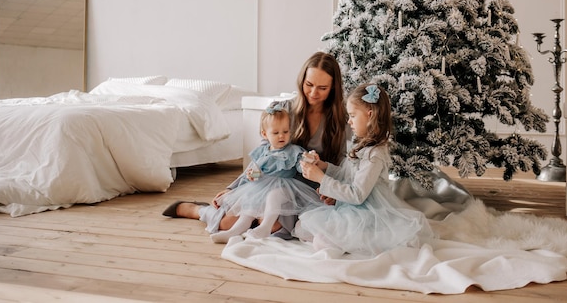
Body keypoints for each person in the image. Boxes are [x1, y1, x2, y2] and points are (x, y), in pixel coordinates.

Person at [162, 51, 349, 238]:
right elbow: (264, 156)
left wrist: (332, 190)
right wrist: (232, 188)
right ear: (302, 81)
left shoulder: (341, 120)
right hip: (269, 183)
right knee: (227, 223)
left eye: (322, 88)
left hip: (309, 189)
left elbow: (343, 165)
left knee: (273, 226)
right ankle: (199, 211)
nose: (313, 93)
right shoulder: (284, 109)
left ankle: (251, 222)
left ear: (333, 88)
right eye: (309, 85)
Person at [293, 83, 434, 255]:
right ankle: (348, 238)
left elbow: (357, 195)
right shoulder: (360, 144)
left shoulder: (375, 154)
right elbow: (347, 174)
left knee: (320, 242)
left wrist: (321, 179)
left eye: (352, 115)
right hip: (350, 207)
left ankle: (366, 239)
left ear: (369, 115)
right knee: (304, 227)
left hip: (369, 211)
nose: (349, 121)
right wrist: (322, 166)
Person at [209, 104, 322, 243]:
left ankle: (265, 227)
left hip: (286, 187)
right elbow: (257, 173)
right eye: (276, 133)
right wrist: (252, 175)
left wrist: (308, 159)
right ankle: (234, 231)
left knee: (275, 195)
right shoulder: (262, 152)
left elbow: (300, 166)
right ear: (264, 134)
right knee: (249, 205)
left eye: (285, 132)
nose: (281, 136)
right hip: (262, 186)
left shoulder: (294, 150)